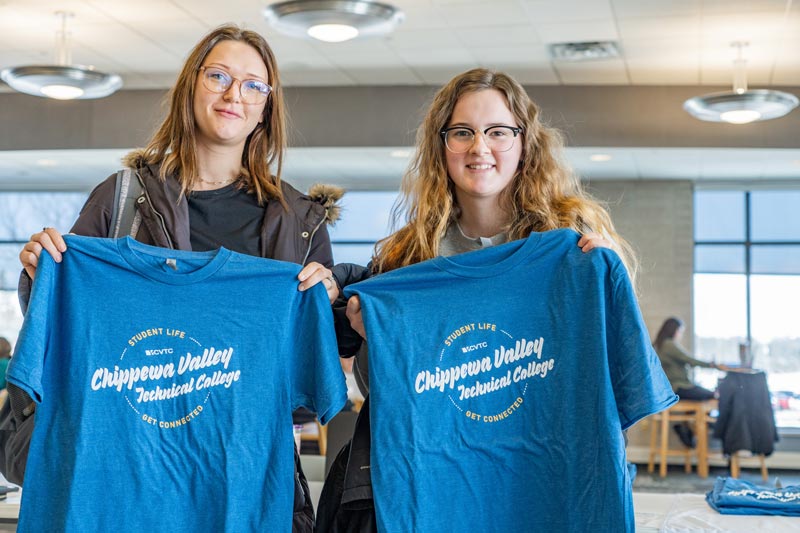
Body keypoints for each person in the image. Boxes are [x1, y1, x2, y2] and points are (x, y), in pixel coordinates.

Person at [7, 24, 340, 532]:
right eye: (219, 76)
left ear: (267, 106)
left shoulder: (301, 221)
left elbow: (304, 387)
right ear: (191, 85)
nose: (235, 95)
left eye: (254, 85)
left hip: (238, 482)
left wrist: (328, 301)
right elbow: (66, 329)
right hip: (122, 479)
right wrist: (41, 272)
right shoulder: (120, 198)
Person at [318, 68, 639, 531]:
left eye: (497, 132)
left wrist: (607, 284)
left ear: (524, 142)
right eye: (462, 132)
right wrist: (381, 340)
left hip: (540, 486)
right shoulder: (408, 256)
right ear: (441, 146)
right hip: (435, 490)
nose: (479, 147)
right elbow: (382, 394)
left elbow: (611, 377)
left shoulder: (572, 249)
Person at [653, 316, 728, 448]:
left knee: (699, 401)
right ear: (674, 330)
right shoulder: (669, 344)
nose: (680, 335)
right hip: (678, 388)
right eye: (680, 331)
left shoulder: (659, 345)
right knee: (713, 395)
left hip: (672, 389)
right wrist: (712, 365)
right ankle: (705, 427)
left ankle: (686, 430)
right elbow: (690, 360)